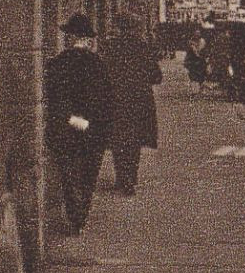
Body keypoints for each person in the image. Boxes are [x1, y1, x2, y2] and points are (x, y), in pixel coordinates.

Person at [44, 13, 114, 233]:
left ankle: (75, 214)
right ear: (88, 40)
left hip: (64, 129)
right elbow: (107, 100)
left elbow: (54, 100)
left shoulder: (56, 64)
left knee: (69, 174)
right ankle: (81, 214)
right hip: (94, 131)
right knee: (88, 175)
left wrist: (74, 120)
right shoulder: (100, 65)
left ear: (70, 37)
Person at [103, 14, 162, 196]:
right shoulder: (144, 48)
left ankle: (121, 178)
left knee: (118, 138)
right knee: (134, 140)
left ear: (120, 27)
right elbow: (156, 77)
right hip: (139, 100)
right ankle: (131, 177)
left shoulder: (110, 47)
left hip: (117, 99)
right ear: (136, 29)